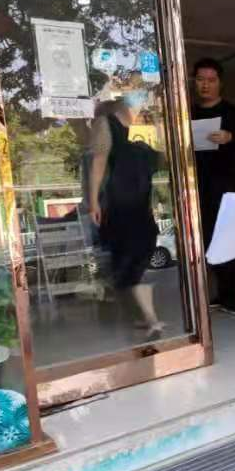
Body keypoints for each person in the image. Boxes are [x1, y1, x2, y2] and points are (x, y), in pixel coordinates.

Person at [89, 81, 164, 340]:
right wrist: (94, 202)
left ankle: (144, 317)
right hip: (122, 204)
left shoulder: (140, 129)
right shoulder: (107, 124)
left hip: (140, 205)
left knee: (137, 258)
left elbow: (162, 159)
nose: (141, 101)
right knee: (131, 260)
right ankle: (150, 319)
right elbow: (98, 163)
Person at [192, 58, 235, 316]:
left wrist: (230, 137)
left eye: (211, 80)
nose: (205, 85)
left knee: (230, 239)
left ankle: (231, 295)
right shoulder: (188, 112)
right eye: (200, 80)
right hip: (197, 186)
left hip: (227, 186)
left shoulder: (233, 113)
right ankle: (220, 291)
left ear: (220, 83)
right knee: (207, 240)